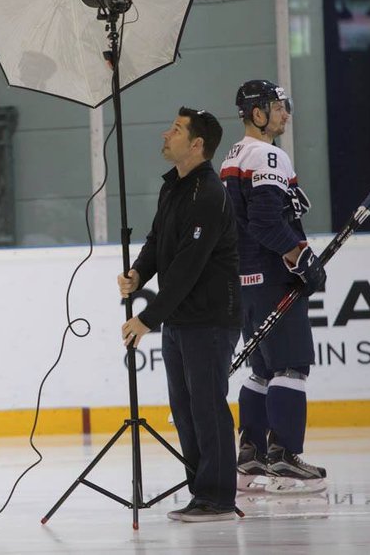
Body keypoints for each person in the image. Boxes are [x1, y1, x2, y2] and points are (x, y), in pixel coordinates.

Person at [118, 107, 241, 523]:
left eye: (175, 130)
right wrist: (138, 272)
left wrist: (146, 318)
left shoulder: (209, 194)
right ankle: (201, 491)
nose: (164, 134)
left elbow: (189, 265)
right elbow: (158, 240)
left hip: (209, 318)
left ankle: (219, 496)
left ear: (197, 144)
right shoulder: (173, 187)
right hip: (182, 320)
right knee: (186, 409)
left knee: (207, 406)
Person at [220, 80, 327, 493]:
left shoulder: (235, 154)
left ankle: (250, 458)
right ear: (257, 112)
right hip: (272, 276)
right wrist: (300, 259)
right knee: (291, 365)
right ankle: (283, 458)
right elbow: (266, 221)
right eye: (278, 107)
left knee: (262, 369)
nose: (285, 113)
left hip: (246, 281)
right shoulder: (267, 154)